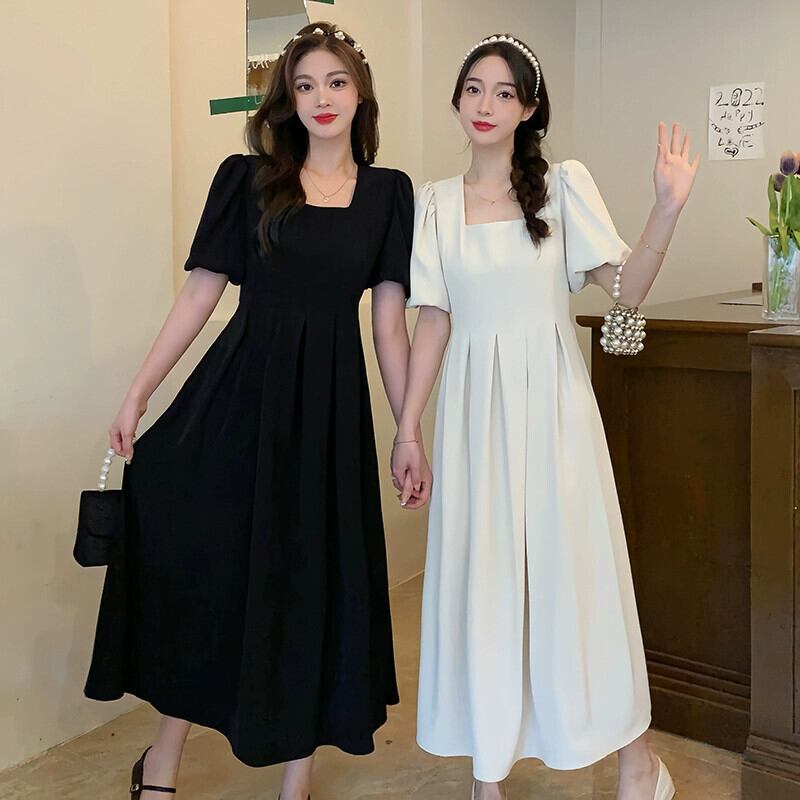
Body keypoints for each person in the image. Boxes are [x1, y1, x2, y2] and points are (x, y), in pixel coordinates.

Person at [84, 22, 413, 800]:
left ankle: (296, 781)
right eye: (305, 85)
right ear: (286, 99)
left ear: (360, 92)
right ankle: (162, 762)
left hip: (329, 417)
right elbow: (201, 292)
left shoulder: (389, 194)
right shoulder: (248, 178)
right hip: (239, 398)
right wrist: (138, 392)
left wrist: (409, 431)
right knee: (215, 569)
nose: (322, 98)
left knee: (312, 583)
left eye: (336, 81)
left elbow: (389, 325)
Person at [391, 33, 699, 800]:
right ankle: (487, 772)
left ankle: (637, 763)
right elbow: (433, 322)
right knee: (485, 584)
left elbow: (625, 289)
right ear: (457, 100)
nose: (485, 104)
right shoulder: (433, 203)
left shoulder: (562, 188)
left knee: (578, 578)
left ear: (528, 109)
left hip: (556, 413)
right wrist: (407, 427)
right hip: (473, 418)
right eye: (474, 89)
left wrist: (665, 210)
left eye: (504, 92)